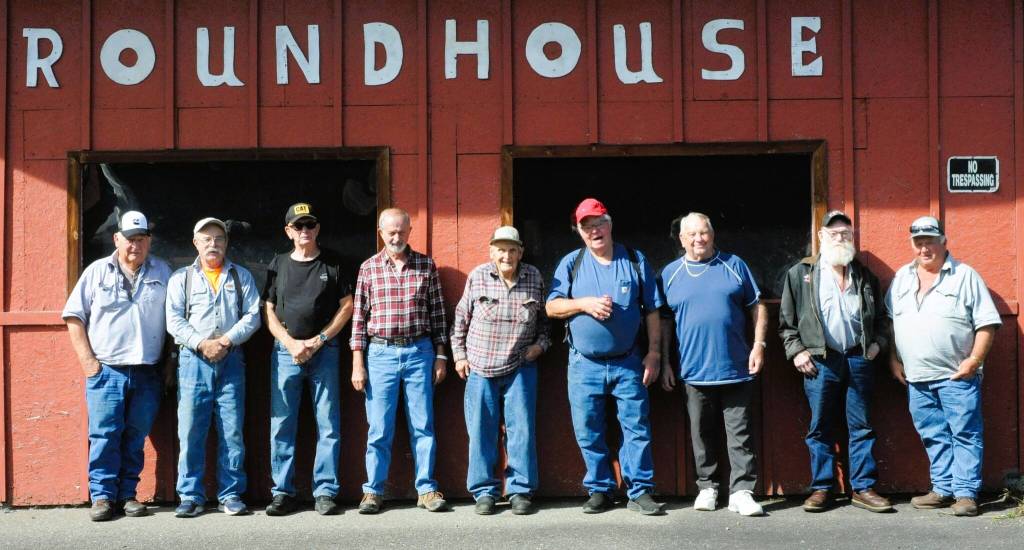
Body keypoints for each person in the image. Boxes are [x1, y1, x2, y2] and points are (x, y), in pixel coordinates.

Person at [545, 198, 665, 516]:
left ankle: (639, 491)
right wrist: (584, 303)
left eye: (599, 223)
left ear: (610, 225)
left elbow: (653, 311)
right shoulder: (572, 263)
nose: (594, 231)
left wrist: (654, 354)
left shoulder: (635, 260)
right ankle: (600, 489)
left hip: (629, 361)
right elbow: (551, 307)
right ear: (580, 232)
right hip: (584, 363)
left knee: (636, 427)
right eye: (587, 226)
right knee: (588, 428)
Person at [778, 210, 892, 513]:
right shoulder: (801, 275)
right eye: (833, 233)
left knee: (862, 427)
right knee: (820, 427)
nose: (840, 238)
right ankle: (822, 488)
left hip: (858, 358)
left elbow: (882, 319)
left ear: (852, 238)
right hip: (820, 360)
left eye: (845, 233)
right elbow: (787, 323)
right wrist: (797, 351)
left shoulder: (865, 276)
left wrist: (878, 346)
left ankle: (863, 487)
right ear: (821, 238)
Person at [887, 216, 1000, 517]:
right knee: (932, 434)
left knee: (964, 432)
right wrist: (893, 359)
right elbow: (891, 322)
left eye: (930, 241)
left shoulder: (965, 276)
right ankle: (942, 488)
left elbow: (987, 323)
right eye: (918, 242)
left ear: (943, 242)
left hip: (956, 376)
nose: (924, 248)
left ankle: (965, 494)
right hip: (916, 377)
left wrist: (974, 360)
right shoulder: (901, 278)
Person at [62, 211, 172, 521]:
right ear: (116, 239)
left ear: (148, 241)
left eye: (141, 239)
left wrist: (168, 366)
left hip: (147, 370)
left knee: (135, 436)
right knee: (104, 435)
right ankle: (101, 497)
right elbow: (73, 317)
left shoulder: (163, 272)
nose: (135, 245)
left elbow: (175, 319)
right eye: (129, 239)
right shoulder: (97, 272)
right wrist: (89, 363)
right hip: (106, 371)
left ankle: (127, 496)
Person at [659, 212, 766, 516]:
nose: (698, 239)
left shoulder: (734, 266)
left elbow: (757, 307)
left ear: (713, 234)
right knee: (701, 434)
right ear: (681, 239)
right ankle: (708, 487)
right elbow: (664, 322)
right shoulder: (670, 274)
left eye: (704, 232)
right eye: (691, 234)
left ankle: (741, 493)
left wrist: (759, 345)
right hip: (693, 371)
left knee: (740, 434)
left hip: (735, 367)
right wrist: (666, 361)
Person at [350, 208, 449, 514]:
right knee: (379, 427)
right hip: (380, 354)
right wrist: (358, 362)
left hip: (420, 351)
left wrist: (441, 356)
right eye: (390, 232)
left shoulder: (425, 265)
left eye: (401, 231)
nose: (396, 237)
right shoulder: (368, 268)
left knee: (423, 425)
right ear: (381, 233)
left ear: (409, 231)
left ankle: (427, 489)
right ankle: (373, 491)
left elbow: (439, 314)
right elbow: (358, 319)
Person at [450, 226, 551, 515]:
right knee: (481, 431)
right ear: (492, 252)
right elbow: (460, 320)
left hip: (521, 366)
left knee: (521, 431)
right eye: (501, 250)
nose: (506, 255)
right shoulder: (478, 276)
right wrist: (459, 356)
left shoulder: (533, 277)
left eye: (512, 250)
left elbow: (545, 323)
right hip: (481, 366)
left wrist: (540, 347)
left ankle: (520, 491)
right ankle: (484, 491)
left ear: (520, 252)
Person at [165, 217, 261, 517]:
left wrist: (227, 341)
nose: (213, 244)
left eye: (218, 238)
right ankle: (191, 496)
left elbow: (253, 315)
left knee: (232, 431)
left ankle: (230, 494)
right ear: (195, 243)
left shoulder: (240, 276)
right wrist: (201, 343)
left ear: (227, 243)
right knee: (191, 430)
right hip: (193, 362)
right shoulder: (182, 278)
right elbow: (173, 320)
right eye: (206, 239)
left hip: (231, 360)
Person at [263, 203, 353, 516]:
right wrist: (289, 343)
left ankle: (325, 491)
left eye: (310, 226)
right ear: (288, 231)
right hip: (286, 354)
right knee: (282, 423)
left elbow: (347, 306)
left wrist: (319, 340)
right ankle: (283, 492)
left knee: (328, 424)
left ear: (317, 229)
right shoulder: (278, 264)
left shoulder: (333, 263)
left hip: (324, 353)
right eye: (298, 226)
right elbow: (269, 310)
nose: (305, 231)